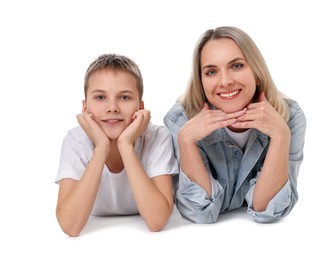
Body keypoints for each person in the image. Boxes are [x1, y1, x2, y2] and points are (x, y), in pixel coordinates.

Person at [164, 26, 306, 224]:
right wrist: (186, 140)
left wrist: (280, 136)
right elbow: (199, 212)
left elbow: (269, 210)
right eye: (211, 71)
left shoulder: (290, 117)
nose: (225, 81)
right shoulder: (181, 120)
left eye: (236, 66)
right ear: (201, 81)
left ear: (257, 72)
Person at [55, 53, 179, 236]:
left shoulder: (158, 138)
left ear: (140, 107)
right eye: (100, 97)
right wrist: (101, 148)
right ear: (85, 108)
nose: (112, 107)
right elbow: (70, 227)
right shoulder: (75, 141)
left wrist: (126, 145)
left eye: (124, 97)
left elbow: (156, 221)